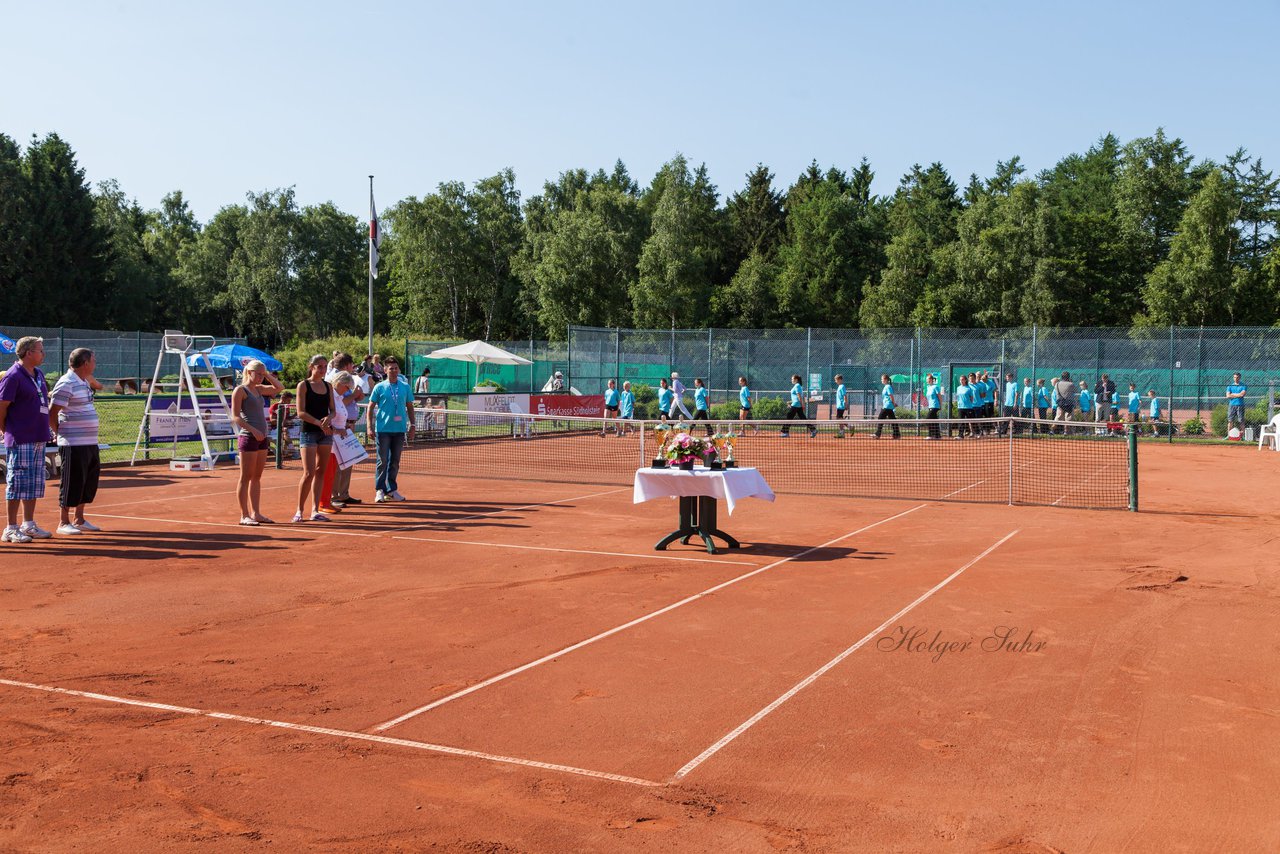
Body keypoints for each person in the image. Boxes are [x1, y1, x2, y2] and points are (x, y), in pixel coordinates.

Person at [47, 347, 104, 535]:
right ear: (85, 363)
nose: (96, 364)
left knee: (87, 481)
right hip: (72, 443)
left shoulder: (83, 381)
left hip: (89, 441)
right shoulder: (66, 382)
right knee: (71, 482)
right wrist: (59, 434)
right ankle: (63, 522)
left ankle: (79, 519)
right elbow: (52, 412)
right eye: (94, 360)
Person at [0, 337, 52, 543]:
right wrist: (7, 430)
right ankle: (10, 528)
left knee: (33, 483)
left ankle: (28, 524)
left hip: (38, 436)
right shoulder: (13, 376)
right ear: (29, 353)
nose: (43, 353)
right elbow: (2, 407)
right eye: (40, 350)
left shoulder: (38, 374)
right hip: (21, 438)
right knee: (16, 482)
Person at [230, 358, 283, 526]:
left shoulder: (259, 389)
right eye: (258, 374)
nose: (260, 377)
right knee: (245, 477)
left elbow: (279, 388)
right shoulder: (241, 390)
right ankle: (244, 515)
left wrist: (267, 374)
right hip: (248, 437)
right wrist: (253, 430)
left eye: (262, 374)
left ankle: (256, 513)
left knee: (257, 477)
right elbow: (236, 416)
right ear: (249, 372)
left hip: (262, 438)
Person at [367, 356, 415, 503]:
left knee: (395, 461)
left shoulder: (405, 387)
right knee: (382, 460)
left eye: (395, 368)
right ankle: (380, 490)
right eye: (390, 368)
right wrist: (369, 426)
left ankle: (391, 490)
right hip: (383, 430)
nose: (393, 371)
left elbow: (410, 407)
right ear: (385, 370)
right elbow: (370, 407)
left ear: (398, 370)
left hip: (399, 430)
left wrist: (412, 425)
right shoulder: (379, 387)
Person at [293, 355, 334, 522]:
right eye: (320, 366)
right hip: (309, 432)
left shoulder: (328, 386)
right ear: (311, 366)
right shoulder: (303, 385)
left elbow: (333, 410)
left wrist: (329, 419)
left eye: (325, 366)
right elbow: (300, 412)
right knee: (309, 472)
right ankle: (299, 511)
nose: (323, 370)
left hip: (325, 434)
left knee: (320, 472)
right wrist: (319, 423)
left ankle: (315, 510)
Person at [326, 353, 365, 505]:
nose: (353, 367)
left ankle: (343, 494)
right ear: (347, 365)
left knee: (348, 459)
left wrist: (357, 395)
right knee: (336, 461)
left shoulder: (347, 378)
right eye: (352, 364)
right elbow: (339, 401)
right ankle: (334, 496)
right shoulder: (335, 379)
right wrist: (354, 394)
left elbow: (351, 398)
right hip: (338, 426)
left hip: (348, 424)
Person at [318, 371, 356, 515]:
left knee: (332, 472)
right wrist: (337, 430)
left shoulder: (339, 397)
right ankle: (323, 502)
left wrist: (343, 428)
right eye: (347, 387)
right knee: (327, 472)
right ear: (339, 383)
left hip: (338, 441)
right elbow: (326, 418)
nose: (348, 391)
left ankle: (327, 501)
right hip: (329, 440)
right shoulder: (330, 396)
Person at [783, 374, 816, 438]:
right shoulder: (798, 386)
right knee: (803, 418)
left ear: (796, 379)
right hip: (797, 404)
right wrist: (790, 402)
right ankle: (813, 429)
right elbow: (797, 397)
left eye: (792, 379)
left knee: (789, 417)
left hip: (796, 405)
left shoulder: (797, 385)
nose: (791, 380)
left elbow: (799, 396)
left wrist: (802, 404)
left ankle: (785, 432)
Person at [873, 373, 899, 440]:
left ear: (885, 379)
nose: (881, 380)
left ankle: (877, 434)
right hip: (888, 406)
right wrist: (893, 404)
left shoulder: (888, 387)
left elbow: (891, 396)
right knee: (893, 420)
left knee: (880, 418)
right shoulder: (886, 387)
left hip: (888, 406)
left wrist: (894, 403)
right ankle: (897, 434)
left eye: (882, 379)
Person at [954, 375, 976, 439]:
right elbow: (958, 397)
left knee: (971, 421)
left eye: (962, 379)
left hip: (968, 407)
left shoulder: (969, 388)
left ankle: (975, 433)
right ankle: (960, 435)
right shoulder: (958, 388)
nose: (961, 381)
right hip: (960, 407)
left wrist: (968, 404)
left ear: (965, 380)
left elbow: (972, 398)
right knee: (961, 422)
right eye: (960, 380)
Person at [999, 372, 1018, 436]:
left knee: (1015, 419)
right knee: (1006, 418)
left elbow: (1016, 394)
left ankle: (1017, 431)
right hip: (1007, 404)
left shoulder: (1015, 384)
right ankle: (1004, 431)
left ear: (1011, 377)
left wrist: (1015, 403)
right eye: (1006, 377)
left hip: (1013, 405)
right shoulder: (1007, 384)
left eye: (1008, 377)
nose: (1007, 378)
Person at [924, 373, 941, 439]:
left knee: (928, 419)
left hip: (935, 406)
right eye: (926, 379)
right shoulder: (928, 387)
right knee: (934, 421)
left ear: (931, 379)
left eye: (927, 379)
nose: (926, 381)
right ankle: (937, 435)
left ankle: (930, 434)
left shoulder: (935, 387)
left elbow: (939, 397)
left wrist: (940, 405)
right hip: (930, 406)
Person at [833, 374, 848, 438]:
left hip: (841, 405)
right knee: (839, 418)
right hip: (839, 405)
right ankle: (849, 427)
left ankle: (842, 432)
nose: (835, 381)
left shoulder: (842, 386)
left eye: (836, 380)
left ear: (840, 380)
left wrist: (846, 404)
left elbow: (845, 396)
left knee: (839, 419)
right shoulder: (839, 387)